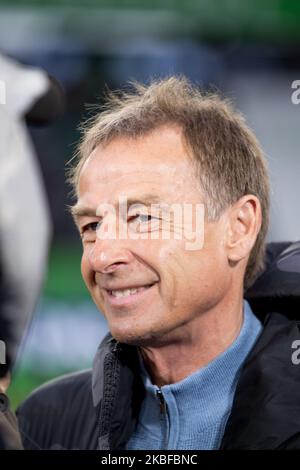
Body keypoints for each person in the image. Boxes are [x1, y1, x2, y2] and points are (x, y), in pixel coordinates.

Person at [17, 77, 300, 450]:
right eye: (92, 226)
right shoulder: (44, 422)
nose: (102, 256)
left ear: (238, 228)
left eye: (142, 218)